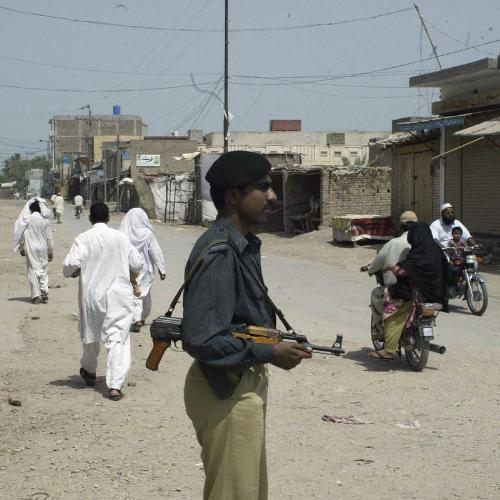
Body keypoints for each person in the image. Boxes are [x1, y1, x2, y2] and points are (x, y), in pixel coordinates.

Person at [182, 150, 312, 500]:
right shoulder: (220, 253)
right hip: (224, 390)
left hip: (238, 382)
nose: (273, 196)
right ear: (234, 196)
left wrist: (271, 344)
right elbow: (199, 337)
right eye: (263, 187)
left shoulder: (240, 246)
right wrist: (268, 352)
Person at [63, 203, 143, 401]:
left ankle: (89, 370)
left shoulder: (83, 238)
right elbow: (137, 263)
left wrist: (76, 271)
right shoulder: (121, 238)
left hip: (92, 296)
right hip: (118, 297)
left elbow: (70, 265)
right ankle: (115, 385)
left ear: (90, 218)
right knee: (118, 338)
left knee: (91, 333)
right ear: (108, 218)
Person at [369, 221, 449, 360]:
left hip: (416, 294)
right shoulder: (437, 251)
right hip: (434, 295)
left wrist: (389, 268)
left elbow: (404, 271)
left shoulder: (418, 252)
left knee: (393, 312)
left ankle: (388, 351)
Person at [360, 210, 418, 339]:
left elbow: (378, 261)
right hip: (421, 290)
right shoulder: (423, 242)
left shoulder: (394, 243)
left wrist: (370, 268)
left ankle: (379, 329)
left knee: (376, 294)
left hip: (399, 290)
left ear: (401, 226)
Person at [119, 208, 166, 332]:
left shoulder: (122, 233)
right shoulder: (147, 234)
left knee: (136, 290)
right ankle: (137, 319)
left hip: (128, 266)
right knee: (141, 291)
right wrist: (161, 268)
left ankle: (141, 316)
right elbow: (155, 251)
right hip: (143, 267)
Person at [19, 200, 54, 304]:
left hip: (31, 247)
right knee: (43, 268)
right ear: (39, 210)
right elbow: (49, 238)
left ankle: (35, 296)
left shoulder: (26, 220)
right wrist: (50, 251)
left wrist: (21, 248)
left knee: (32, 270)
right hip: (43, 247)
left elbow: (21, 235)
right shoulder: (45, 221)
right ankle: (44, 290)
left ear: (30, 210)